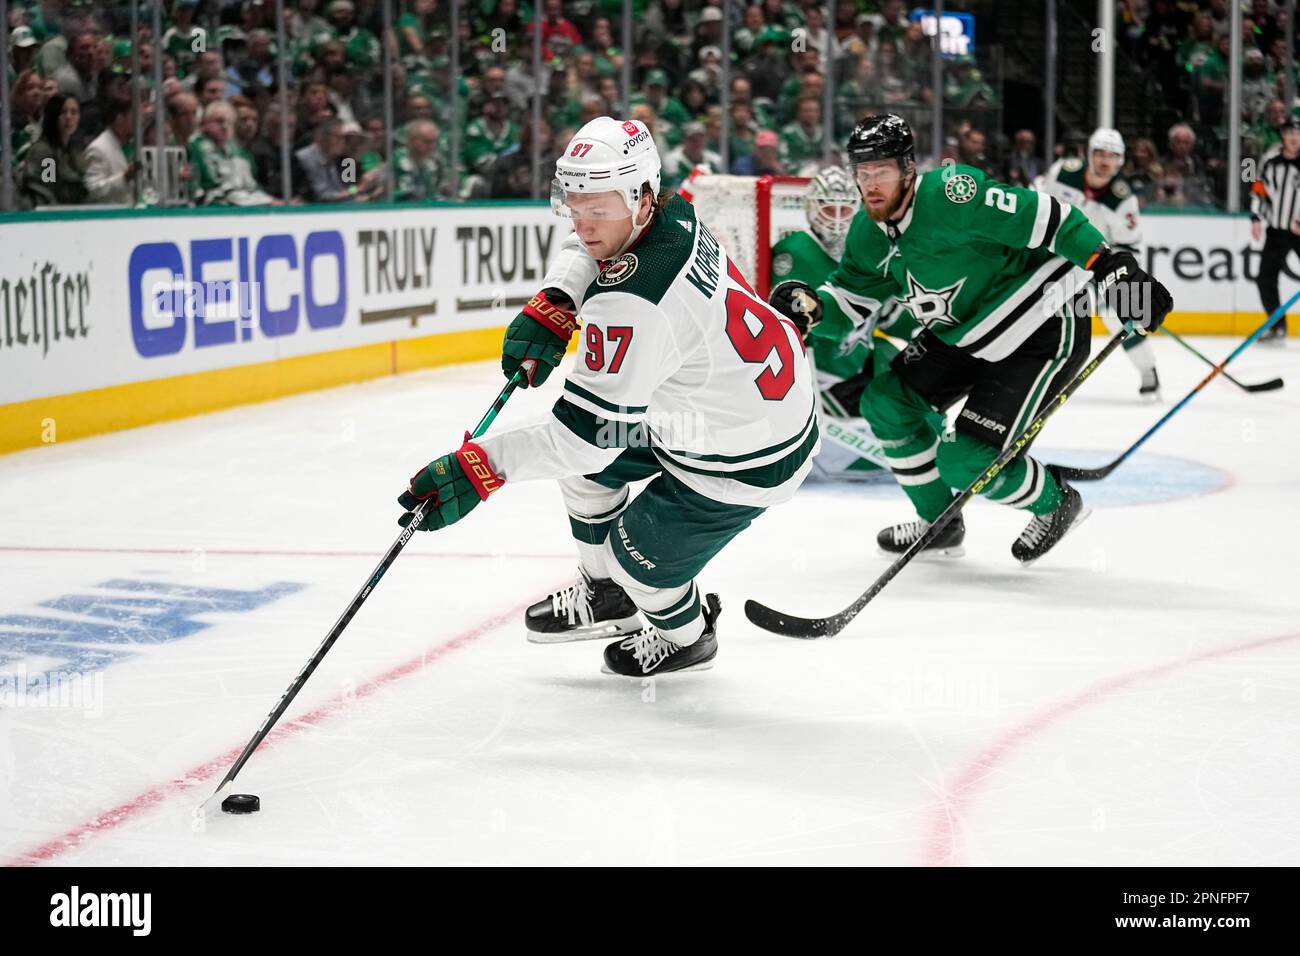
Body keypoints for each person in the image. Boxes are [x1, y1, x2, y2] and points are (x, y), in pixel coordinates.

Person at [397, 117, 818, 676]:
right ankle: (608, 598)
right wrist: (558, 296)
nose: (584, 222)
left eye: (599, 207)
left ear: (642, 196)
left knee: (637, 561)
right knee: (590, 480)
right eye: (575, 203)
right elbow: (589, 245)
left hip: (747, 454)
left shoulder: (631, 306)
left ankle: (688, 638)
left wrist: (481, 467)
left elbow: (584, 441)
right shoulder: (672, 212)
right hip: (733, 403)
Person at [808, 115, 1172, 565]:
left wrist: (1110, 265)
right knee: (885, 401)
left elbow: (1052, 218)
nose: (870, 185)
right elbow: (849, 300)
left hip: (1040, 323)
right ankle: (938, 522)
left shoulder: (952, 193)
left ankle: (1055, 503)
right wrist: (813, 309)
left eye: (880, 171)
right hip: (963, 333)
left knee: (964, 461)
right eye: (862, 174)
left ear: (907, 168)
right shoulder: (867, 233)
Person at [769, 166, 919, 480]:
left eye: (845, 208)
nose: (836, 218)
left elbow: (892, 314)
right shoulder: (794, 251)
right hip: (817, 379)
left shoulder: (868, 250)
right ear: (811, 208)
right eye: (828, 208)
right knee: (900, 425)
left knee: (921, 401)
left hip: (857, 367)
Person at [1035, 128, 1161, 399]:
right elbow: (1036, 200)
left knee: (1119, 317)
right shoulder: (1063, 172)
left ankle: (1148, 369)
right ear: (1088, 154)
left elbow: (1128, 244)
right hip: (1056, 258)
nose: (1106, 161)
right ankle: (1040, 375)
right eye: (1100, 154)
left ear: (1121, 160)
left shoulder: (1123, 198)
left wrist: (1117, 273)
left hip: (1097, 264)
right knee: (1040, 312)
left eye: (1113, 156)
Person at [1250, 117, 1300, 344]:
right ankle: (1277, 325)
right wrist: (1256, 217)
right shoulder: (1269, 159)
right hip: (1277, 229)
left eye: (1297, 134)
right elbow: (1257, 186)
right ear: (1283, 136)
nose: (1294, 138)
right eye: (1290, 133)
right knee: (1264, 279)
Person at [190, 99, 275, 206]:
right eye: (219, 121)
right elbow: (216, 188)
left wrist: (269, 200)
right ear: (204, 124)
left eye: (229, 122)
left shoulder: (240, 153)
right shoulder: (198, 147)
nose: (225, 126)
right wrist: (268, 202)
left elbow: (251, 187)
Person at [23, 93, 87, 206]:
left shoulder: (75, 150)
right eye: (63, 112)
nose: (69, 117)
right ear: (53, 115)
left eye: (74, 112)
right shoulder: (44, 152)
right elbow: (47, 191)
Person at [83, 97, 139, 204]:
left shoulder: (135, 145)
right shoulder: (98, 148)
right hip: (111, 216)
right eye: (133, 117)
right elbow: (93, 190)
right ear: (119, 119)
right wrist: (124, 178)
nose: (138, 123)